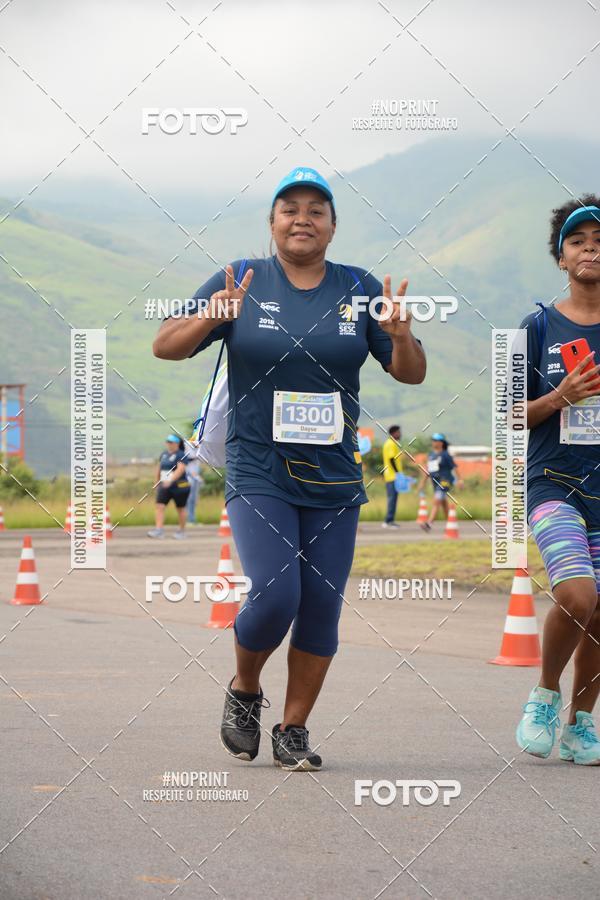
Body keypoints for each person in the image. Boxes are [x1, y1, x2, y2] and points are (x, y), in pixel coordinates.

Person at [153, 165, 426, 770]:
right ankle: (245, 687)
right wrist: (212, 317)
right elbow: (165, 345)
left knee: (321, 604)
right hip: (259, 466)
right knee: (277, 593)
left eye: (315, 210)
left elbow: (410, 373)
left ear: (332, 225)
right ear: (272, 222)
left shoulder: (360, 287)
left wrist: (402, 337)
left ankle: (294, 729)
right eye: (290, 209)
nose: (303, 219)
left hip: (334, 474)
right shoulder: (240, 279)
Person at [515, 197, 600, 763]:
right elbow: (508, 416)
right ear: (561, 258)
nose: (591, 249)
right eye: (578, 241)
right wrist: (559, 397)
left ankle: (581, 724)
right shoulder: (537, 327)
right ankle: (545, 695)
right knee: (577, 594)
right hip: (554, 482)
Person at [416, 433, 463, 531]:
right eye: (433, 440)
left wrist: (460, 480)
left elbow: (455, 467)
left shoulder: (445, 455)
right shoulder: (431, 455)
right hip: (435, 481)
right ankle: (450, 523)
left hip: (445, 481)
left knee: (437, 500)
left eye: (435, 440)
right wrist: (422, 482)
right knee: (443, 502)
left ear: (441, 443)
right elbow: (428, 470)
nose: (433, 442)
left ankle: (429, 524)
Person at [147, 435, 190, 539]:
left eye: (171, 442)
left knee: (180, 508)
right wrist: (157, 482)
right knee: (159, 506)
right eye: (167, 442)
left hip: (179, 486)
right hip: (164, 485)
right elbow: (159, 468)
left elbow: (180, 469)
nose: (168, 444)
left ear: (177, 443)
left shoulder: (181, 454)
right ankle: (159, 530)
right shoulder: (164, 454)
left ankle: (182, 531)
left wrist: (170, 480)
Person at [381, 424, 403, 528]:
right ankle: (388, 521)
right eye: (398, 432)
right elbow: (391, 459)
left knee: (393, 499)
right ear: (393, 433)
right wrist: (397, 473)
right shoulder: (390, 443)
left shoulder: (392, 443)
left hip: (393, 476)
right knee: (392, 499)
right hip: (392, 476)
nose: (400, 434)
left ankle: (389, 520)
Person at [184, 440, 204, 525]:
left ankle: (192, 519)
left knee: (194, 499)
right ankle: (189, 519)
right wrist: (196, 457)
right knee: (189, 499)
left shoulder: (199, 448)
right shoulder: (186, 445)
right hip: (188, 476)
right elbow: (185, 459)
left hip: (196, 477)